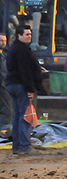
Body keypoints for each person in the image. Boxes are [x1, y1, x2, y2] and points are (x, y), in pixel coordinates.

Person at [6, 25, 45, 155]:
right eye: (27, 34)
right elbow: (25, 71)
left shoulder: (14, 49)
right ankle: (25, 146)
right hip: (21, 86)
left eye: (30, 34)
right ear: (19, 35)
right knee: (26, 116)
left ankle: (16, 146)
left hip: (12, 85)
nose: (29, 36)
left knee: (17, 116)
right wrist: (30, 89)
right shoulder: (22, 50)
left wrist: (38, 68)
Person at [0, 33, 13, 130]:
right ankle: (4, 131)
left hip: (6, 85)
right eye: (1, 40)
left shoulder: (5, 55)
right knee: (7, 110)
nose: (3, 43)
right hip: (2, 87)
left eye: (4, 40)